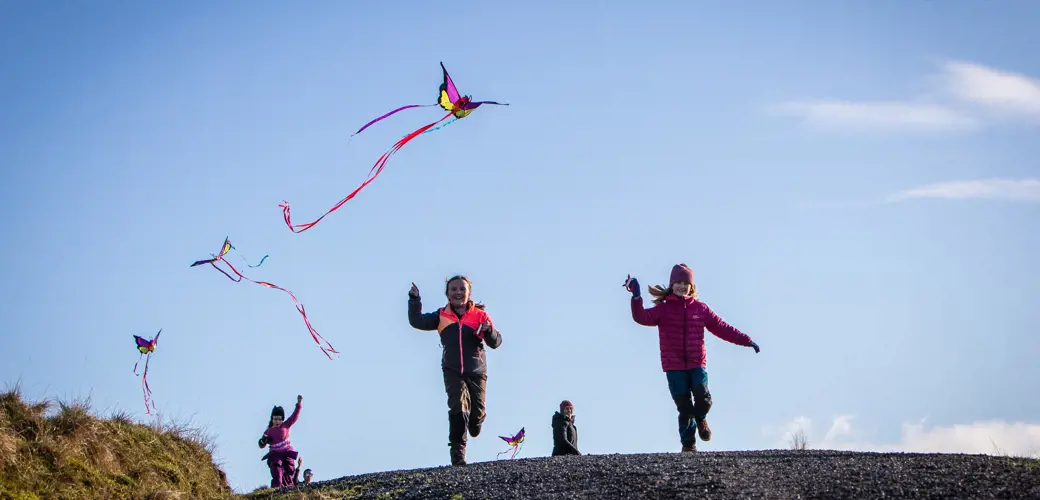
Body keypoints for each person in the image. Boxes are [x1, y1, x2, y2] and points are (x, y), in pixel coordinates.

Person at [626, 264, 759, 452]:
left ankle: (702, 419)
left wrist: (747, 340)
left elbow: (722, 328)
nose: (681, 286)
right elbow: (641, 317)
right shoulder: (663, 310)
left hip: (697, 364)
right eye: (678, 282)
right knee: (685, 407)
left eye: (685, 283)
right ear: (671, 285)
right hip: (673, 366)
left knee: (703, 398)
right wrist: (636, 296)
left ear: (691, 287)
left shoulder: (700, 309)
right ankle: (689, 446)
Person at [408, 276, 503, 466]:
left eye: (462, 289)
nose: (458, 292)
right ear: (447, 294)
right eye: (453, 289)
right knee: (458, 407)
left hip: (476, 370)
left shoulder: (480, 316)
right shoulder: (441, 315)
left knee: (476, 412)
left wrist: (488, 331)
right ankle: (458, 452)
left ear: (469, 293)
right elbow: (417, 321)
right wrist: (414, 299)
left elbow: (496, 342)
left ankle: (476, 422)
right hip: (452, 370)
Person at [258, 395, 303, 487]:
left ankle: (287, 487)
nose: (277, 421)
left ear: (282, 420)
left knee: (289, 471)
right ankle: (277, 486)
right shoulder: (268, 431)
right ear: (272, 419)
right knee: (276, 469)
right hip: (275, 455)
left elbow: (295, 416)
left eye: (279, 419)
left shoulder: (286, 426)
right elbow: (261, 444)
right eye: (275, 419)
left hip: (287, 453)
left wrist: (299, 404)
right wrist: (263, 441)